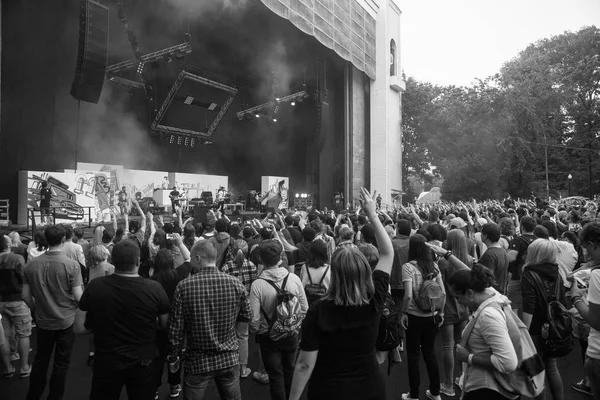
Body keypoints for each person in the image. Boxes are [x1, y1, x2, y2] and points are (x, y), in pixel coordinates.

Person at [288, 188, 393, 400]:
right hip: (370, 388)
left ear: (334, 273)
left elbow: (305, 364)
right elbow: (387, 252)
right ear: (365, 271)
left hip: (329, 389)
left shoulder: (319, 311)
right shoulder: (374, 299)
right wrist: (372, 213)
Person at [78, 240, 170, 400]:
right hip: (144, 360)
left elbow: (79, 327)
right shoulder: (154, 288)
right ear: (138, 261)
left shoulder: (95, 286)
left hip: (107, 359)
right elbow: (164, 324)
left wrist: (100, 325)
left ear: (112, 261)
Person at [168, 240, 251, 400]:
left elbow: (176, 330)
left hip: (197, 362)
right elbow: (247, 315)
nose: (189, 260)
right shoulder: (235, 284)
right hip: (229, 358)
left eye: (191, 257)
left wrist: (174, 356)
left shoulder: (184, 287)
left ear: (198, 258)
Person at [22, 225, 83, 400]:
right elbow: (79, 296)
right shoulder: (72, 265)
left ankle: (33, 395)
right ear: (63, 240)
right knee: (61, 364)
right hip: (66, 320)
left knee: (41, 360)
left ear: (45, 240)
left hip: (43, 320)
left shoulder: (31, 265)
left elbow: (25, 295)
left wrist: (36, 310)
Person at [446, 264, 519, 400]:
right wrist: (448, 255)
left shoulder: (488, 316)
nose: (459, 302)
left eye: (457, 297)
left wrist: (468, 357)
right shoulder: (491, 294)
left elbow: (508, 363)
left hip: (490, 390)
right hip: (490, 387)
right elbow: (471, 276)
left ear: (469, 293)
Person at [250, 239, 308, 400]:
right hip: (291, 334)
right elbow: (305, 308)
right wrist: (294, 324)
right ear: (280, 258)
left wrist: (257, 330)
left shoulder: (258, 285)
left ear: (261, 259)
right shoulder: (294, 278)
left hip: (268, 336)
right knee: (290, 370)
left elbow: (254, 319)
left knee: (275, 376)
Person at [401, 234, 445, 400]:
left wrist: (403, 312)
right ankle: (435, 391)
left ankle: (413, 394)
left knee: (413, 355)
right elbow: (443, 292)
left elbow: (408, 295)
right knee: (429, 352)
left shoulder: (408, 267)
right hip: (432, 314)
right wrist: (440, 312)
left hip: (414, 315)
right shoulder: (434, 265)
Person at [520, 239, 566, 400]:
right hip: (553, 325)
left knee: (537, 371)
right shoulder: (557, 271)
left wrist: (523, 333)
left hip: (535, 327)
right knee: (551, 366)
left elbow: (529, 306)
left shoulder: (529, 273)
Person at [151, 249, 192, 398]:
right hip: (176, 323)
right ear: (171, 261)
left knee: (157, 358)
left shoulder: (151, 280)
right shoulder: (179, 274)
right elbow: (188, 258)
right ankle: (174, 386)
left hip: (157, 325)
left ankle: (154, 388)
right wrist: (179, 243)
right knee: (174, 355)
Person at [436, 229, 472, 397]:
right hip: (464, 308)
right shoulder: (470, 260)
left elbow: (440, 288)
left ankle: (448, 384)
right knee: (460, 345)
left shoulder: (443, 263)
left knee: (448, 346)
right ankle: (463, 379)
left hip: (448, 308)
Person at [569, 222, 600, 400]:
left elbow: (596, 321)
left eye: (586, 249)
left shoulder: (597, 274)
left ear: (592, 244)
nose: (586, 254)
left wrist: (577, 299)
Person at [222, 239, 258, 379]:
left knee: (228, 336)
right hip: (245, 305)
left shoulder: (226, 267)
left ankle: (229, 366)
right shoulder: (252, 266)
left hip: (229, 306)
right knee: (243, 337)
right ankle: (243, 369)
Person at [0, 235, 32, 378]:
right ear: (7, 244)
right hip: (17, 300)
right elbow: (25, 278)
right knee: (23, 333)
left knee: (4, 336)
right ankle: (24, 367)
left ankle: (7, 368)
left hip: (1, 302)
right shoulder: (16, 259)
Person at [478, 223, 510, 295]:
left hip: (492, 294)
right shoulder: (503, 251)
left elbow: (485, 279)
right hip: (500, 292)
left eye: (481, 233)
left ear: (485, 235)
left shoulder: (489, 255)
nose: (480, 235)